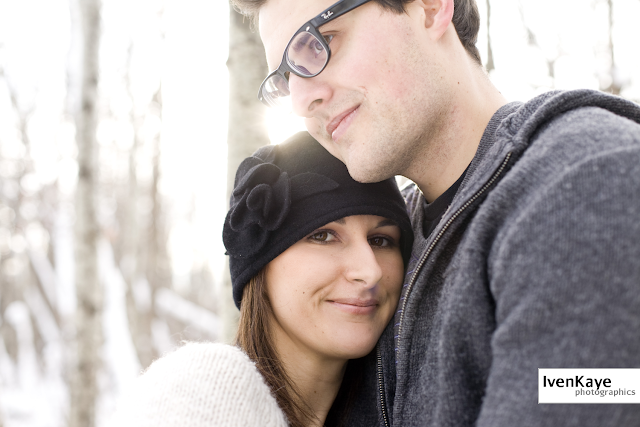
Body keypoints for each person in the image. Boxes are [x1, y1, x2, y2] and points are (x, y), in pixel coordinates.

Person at [230, 0, 640, 426]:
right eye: (286, 78)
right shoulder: (396, 243)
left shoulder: (584, 183)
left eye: (320, 42)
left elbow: (599, 388)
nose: (302, 101)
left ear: (429, 8)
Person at [108, 131, 414, 427]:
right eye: (323, 236)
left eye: (381, 240)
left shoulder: (399, 402)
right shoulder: (204, 391)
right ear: (260, 265)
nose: (370, 271)